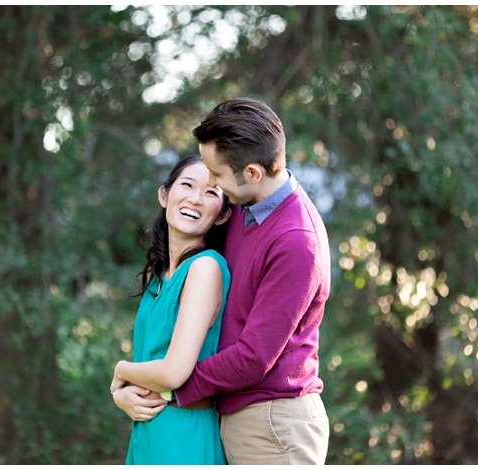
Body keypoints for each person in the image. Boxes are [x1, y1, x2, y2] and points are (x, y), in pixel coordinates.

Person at [117, 98, 332, 465]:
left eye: (216, 175)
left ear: (252, 173)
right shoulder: (245, 209)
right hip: (235, 416)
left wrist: (167, 387)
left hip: (275, 422)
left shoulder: (296, 240)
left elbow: (253, 357)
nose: (209, 183)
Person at [110, 154, 232, 465]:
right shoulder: (159, 275)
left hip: (184, 434)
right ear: (164, 195)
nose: (195, 198)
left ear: (221, 215)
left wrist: (122, 372)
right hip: (148, 430)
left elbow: (175, 371)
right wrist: (121, 395)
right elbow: (152, 360)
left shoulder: (205, 268)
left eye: (210, 192)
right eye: (187, 185)